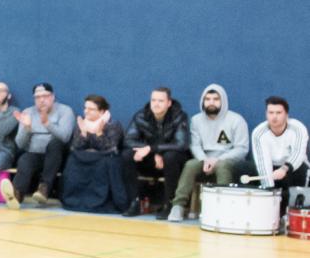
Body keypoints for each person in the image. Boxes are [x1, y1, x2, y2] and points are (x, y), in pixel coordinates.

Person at [169, 83, 248, 222]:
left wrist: (218, 159)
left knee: (223, 166)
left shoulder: (237, 120)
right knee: (190, 165)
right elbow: (194, 145)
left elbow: (242, 149)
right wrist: (204, 159)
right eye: (207, 99)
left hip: (228, 160)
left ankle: (223, 208)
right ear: (203, 101)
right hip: (204, 159)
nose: (211, 102)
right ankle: (178, 206)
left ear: (223, 101)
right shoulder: (196, 120)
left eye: (216, 99)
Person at [233, 96, 309, 220]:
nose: (274, 117)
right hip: (272, 169)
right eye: (271, 112)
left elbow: (298, 154)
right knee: (244, 170)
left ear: (286, 115)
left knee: (301, 172)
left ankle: (292, 214)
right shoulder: (259, 133)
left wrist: (284, 169)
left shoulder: (298, 129)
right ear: (266, 114)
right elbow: (263, 163)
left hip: (294, 167)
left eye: (278, 113)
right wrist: (271, 192)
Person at [121, 86, 190, 218]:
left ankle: (169, 205)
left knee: (170, 156)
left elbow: (181, 144)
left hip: (172, 161)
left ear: (169, 103)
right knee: (127, 155)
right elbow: (128, 140)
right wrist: (152, 152)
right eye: (153, 100)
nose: (156, 104)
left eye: (160, 101)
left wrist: (153, 149)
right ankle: (135, 202)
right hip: (151, 160)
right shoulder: (141, 116)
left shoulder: (179, 116)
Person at [5, 82, 75, 208]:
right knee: (24, 159)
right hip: (35, 153)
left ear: (53, 97)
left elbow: (65, 137)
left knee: (55, 143)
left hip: (56, 155)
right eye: (37, 97)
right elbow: (20, 144)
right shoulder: (28, 112)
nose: (41, 100)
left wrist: (47, 123)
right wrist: (27, 128)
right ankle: (16, 195)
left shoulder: (65, 111)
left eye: (45, 96)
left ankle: (44, 189)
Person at [61, 94, 129, 214]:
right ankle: (75, 200)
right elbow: (75, 147)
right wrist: (83, 133)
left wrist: (99, 133)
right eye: (85, 108)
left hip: (105, 158)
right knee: (72, 160)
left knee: (105, 163)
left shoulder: (113, 124)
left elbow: (110, 148)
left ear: (101, 111)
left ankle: (100, 201)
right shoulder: (82, 123)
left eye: (91, 109)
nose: (86, 111)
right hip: (85, 157)